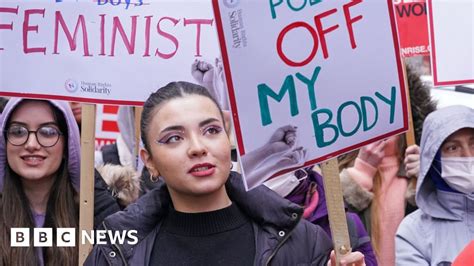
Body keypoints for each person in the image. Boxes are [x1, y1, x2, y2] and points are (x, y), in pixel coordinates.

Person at [85, 81, 365, 265]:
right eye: (174, 138)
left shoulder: (302, 242)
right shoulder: (115, 250)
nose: (197, 147)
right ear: (150, 162)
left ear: (227, 138)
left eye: (211, 130)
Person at [337, 65, 437, 265]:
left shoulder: (418, 167)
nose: (380, 120)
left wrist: (430, 177)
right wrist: (360, 174)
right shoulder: (331, 170)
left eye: (388, 106)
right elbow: (326, 227)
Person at [0, 98, 81, 266]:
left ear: (67, 145)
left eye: (48, 132)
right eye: (18, 131)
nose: (31, 144)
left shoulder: (93, 216)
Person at [395, 105, 474, 265]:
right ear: (434, 159)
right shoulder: (414, 232)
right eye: (452, 148)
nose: (467, 155)